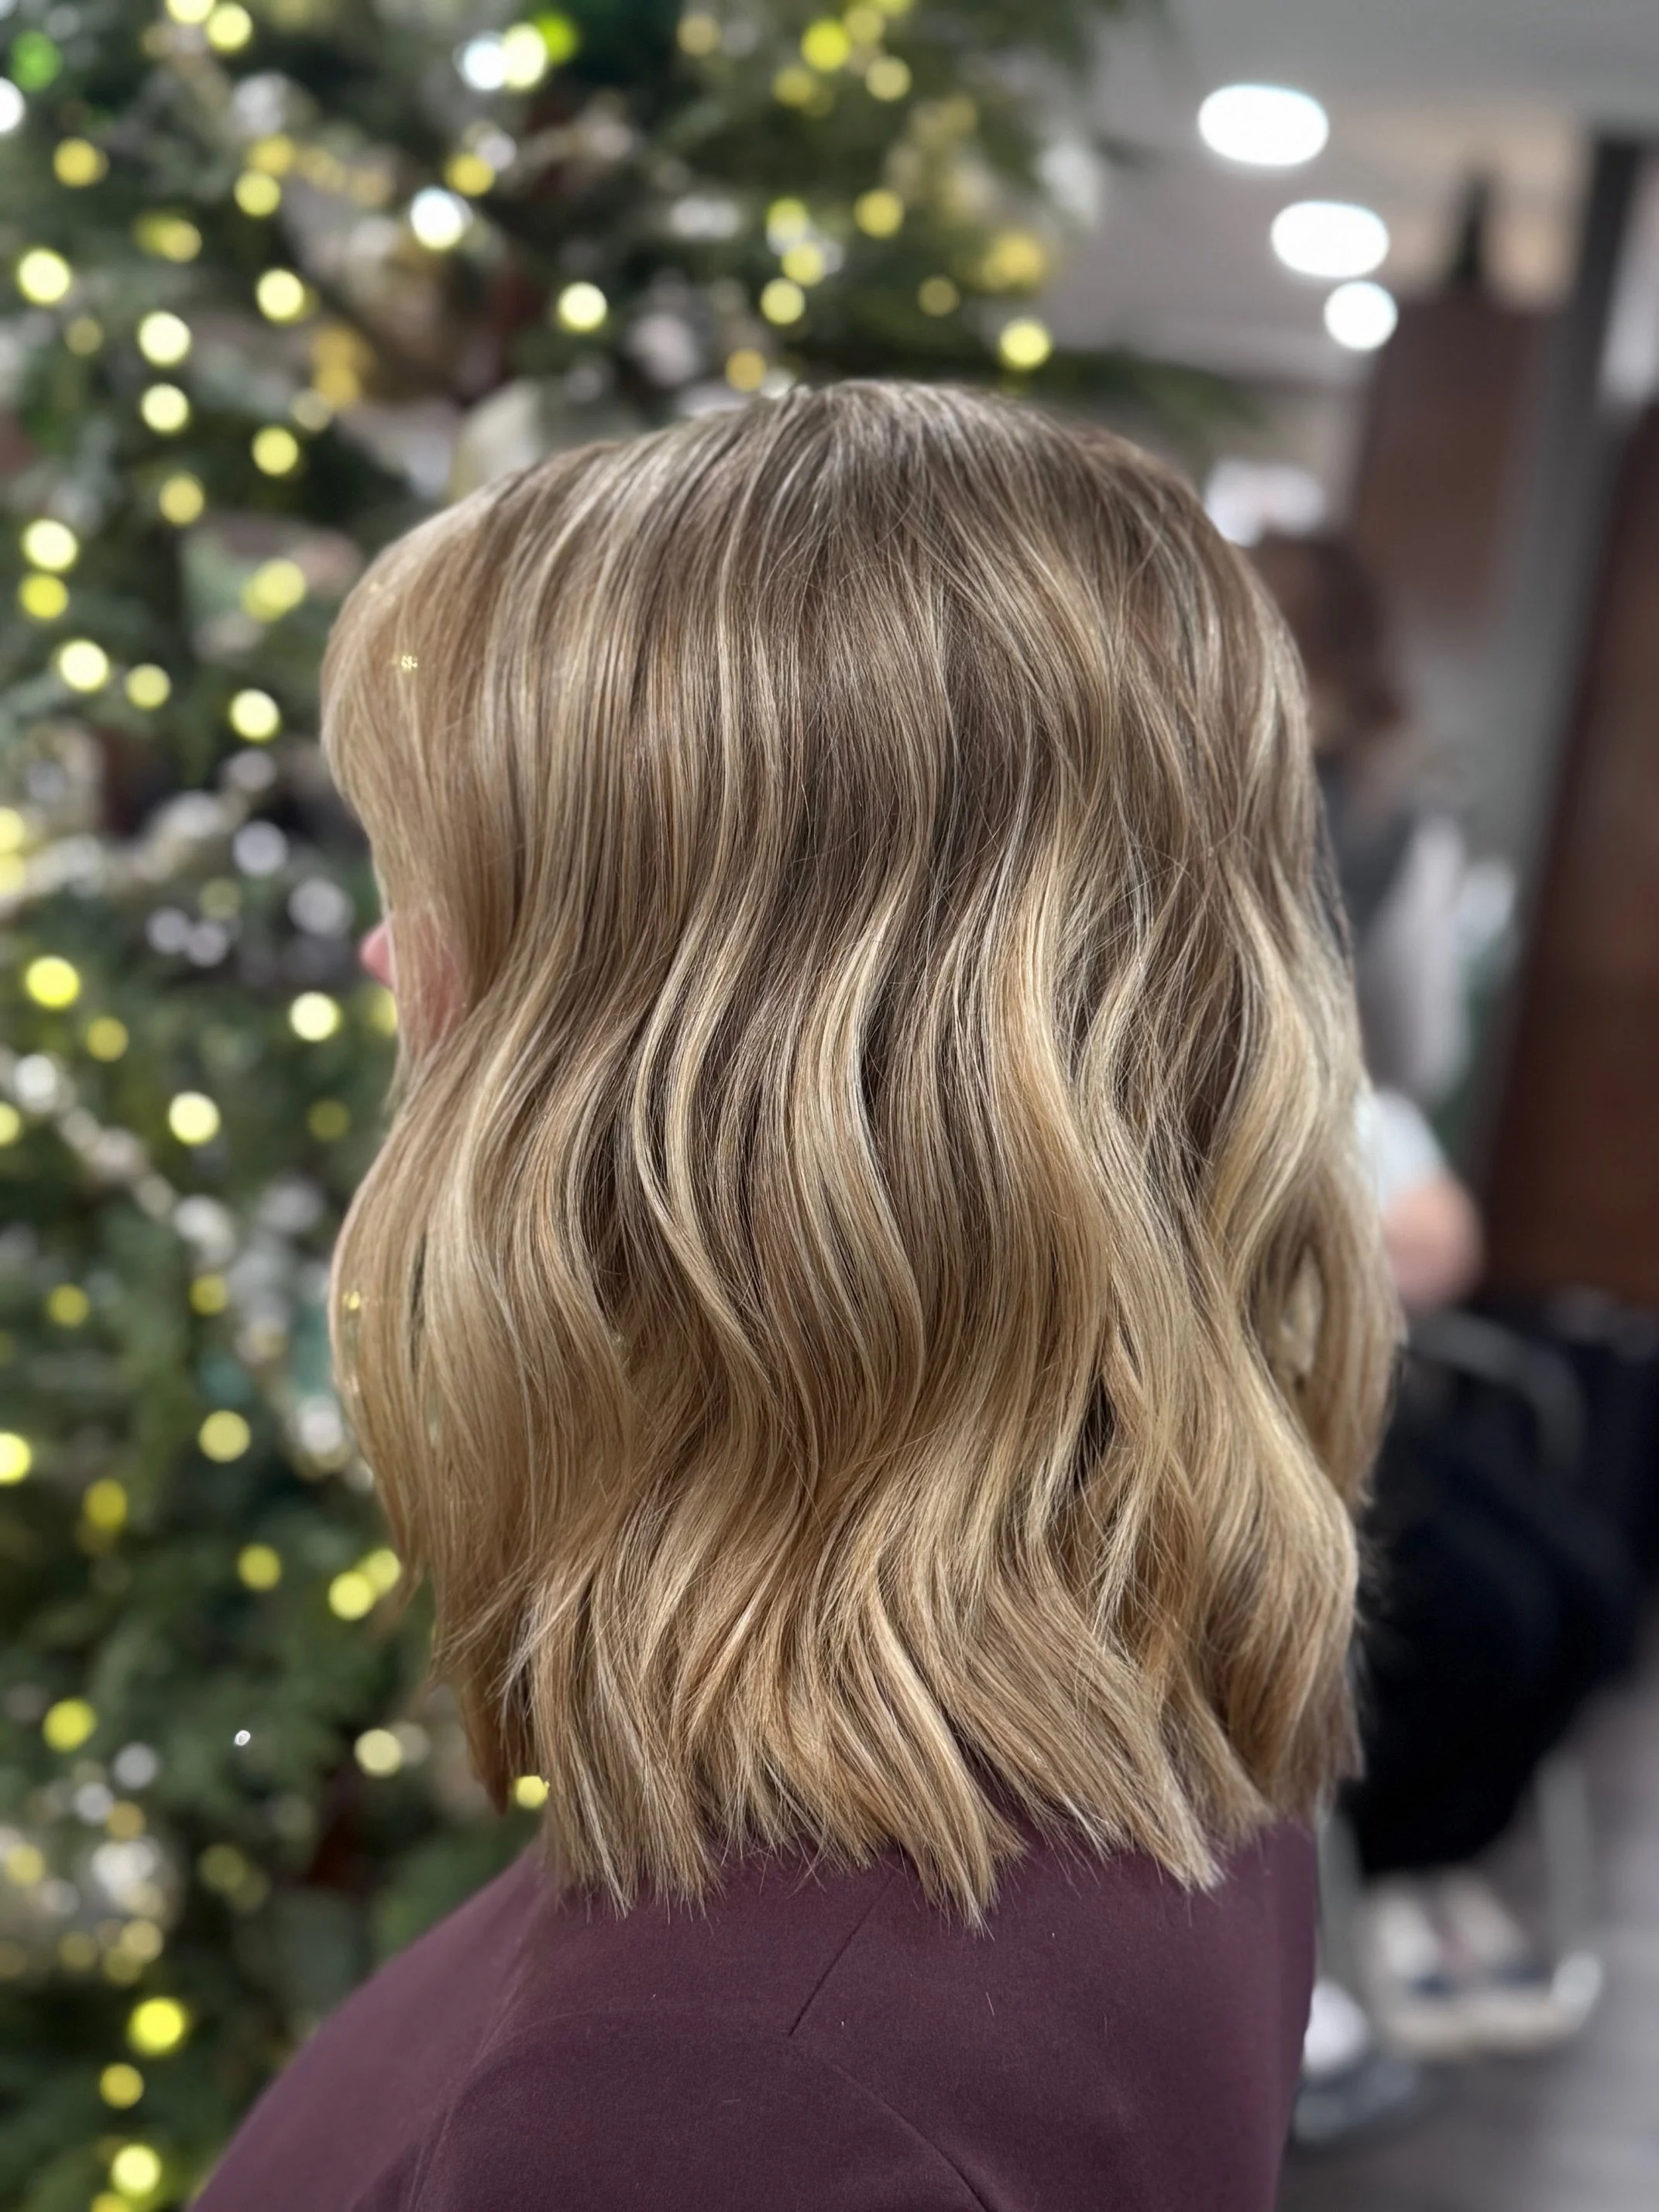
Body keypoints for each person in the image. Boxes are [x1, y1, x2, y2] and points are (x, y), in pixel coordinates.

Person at [193, 382, 1398, 2211]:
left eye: (457, 890)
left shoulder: (723, 2099)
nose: (389, 955)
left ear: (690, 1053)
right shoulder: (1115, 1699)